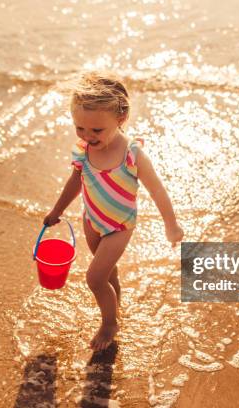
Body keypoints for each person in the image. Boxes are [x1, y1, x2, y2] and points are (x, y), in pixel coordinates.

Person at [43, 71, 184, 351]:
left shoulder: (132, 155)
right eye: (80, 128)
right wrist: (56, 210)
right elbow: (75, 182)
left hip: (119, 225)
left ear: (120, 119)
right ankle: (116, 306)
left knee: (94, 278)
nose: (87, 136)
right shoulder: (83, 150)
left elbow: (157, 191)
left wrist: (171, 225)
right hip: (92, 220)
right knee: (108, 275)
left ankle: (109, 323)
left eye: (96, 130)